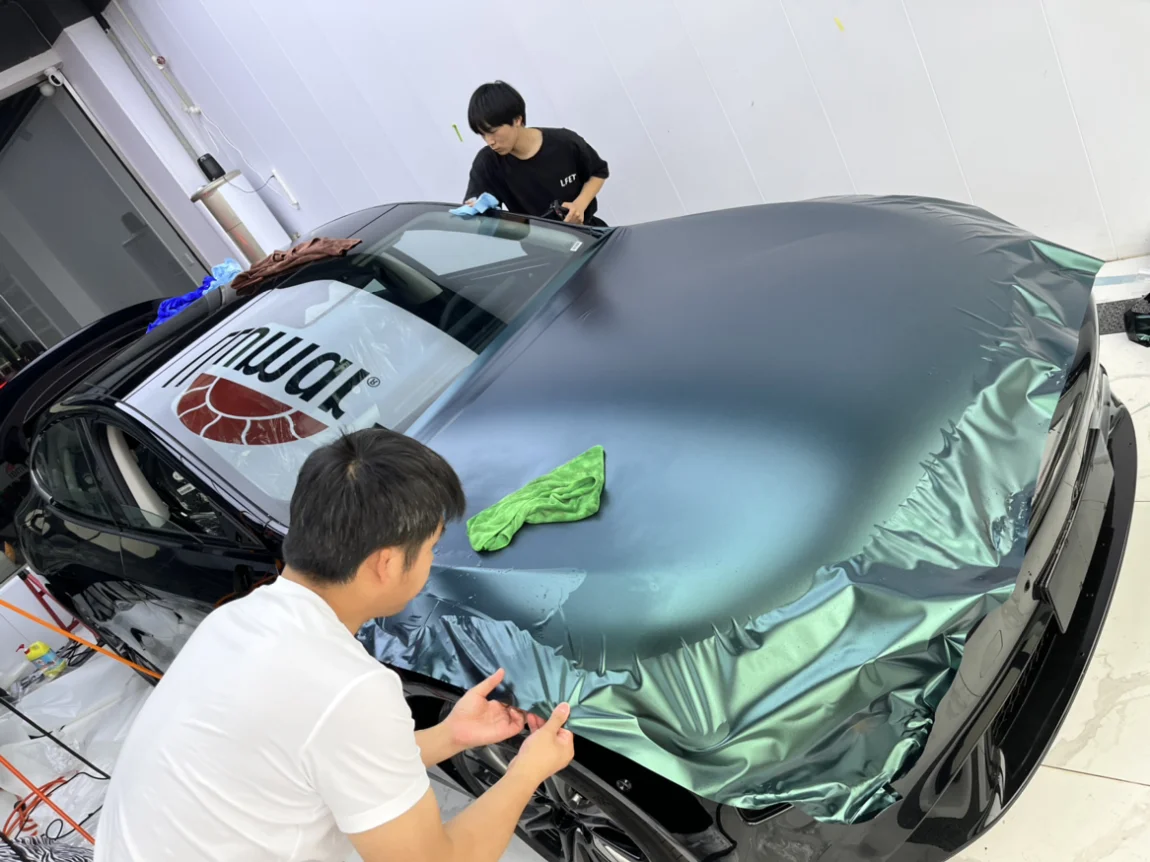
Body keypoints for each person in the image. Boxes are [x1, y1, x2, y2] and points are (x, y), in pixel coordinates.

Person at [96, 429, 575, 862]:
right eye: (431, 548)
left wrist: (452, 735)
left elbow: (322, 757)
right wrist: (527, 772)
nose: (432, 561)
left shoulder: (235, 621)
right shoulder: (350, 688)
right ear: (387, 564)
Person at [464, 80, 610, 226]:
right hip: (537, 238)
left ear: (517, 120)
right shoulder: (487, 163)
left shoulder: (565, 142)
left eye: (493, 132)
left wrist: (579, 206)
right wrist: (474, 208)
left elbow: (598, 172)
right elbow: (475, 203)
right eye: (482, 134)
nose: (489, 141)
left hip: (588, 231)